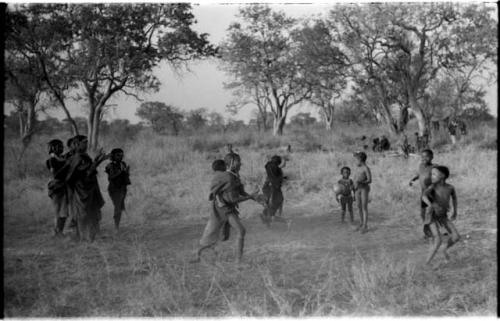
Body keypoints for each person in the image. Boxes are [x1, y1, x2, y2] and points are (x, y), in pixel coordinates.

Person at [192, 152, 260, 263]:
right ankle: (238, 261)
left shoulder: (234, 176)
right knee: (239, 231)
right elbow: (232, 199)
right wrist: (251, 197)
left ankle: (199, 255)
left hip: (227, 208)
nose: (241, 164)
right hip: (222, 209)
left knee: (222, 236)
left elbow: (241, 192)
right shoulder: (228, 177)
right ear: (232, 163)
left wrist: (254, 197)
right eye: (239, 161)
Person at [65, 135, 108, 242]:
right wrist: (97, 161)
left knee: (92, 211)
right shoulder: (77, 157)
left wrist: (98, 160)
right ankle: (83, 238)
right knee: (84, 214)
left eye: (86, 142)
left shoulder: (84, 156)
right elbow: (86, 173)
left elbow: (88, 170)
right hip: (82, 190)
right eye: (84, 142)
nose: (86, 145)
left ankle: (92, 237)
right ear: (76, 144)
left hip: (90, 189)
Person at [421, 165, 460, 265]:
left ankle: (444, 249)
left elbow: (455, 199)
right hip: (432, 216)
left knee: (456, 237)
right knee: (437, 240)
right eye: (431, 174)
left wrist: (455, 211)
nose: (431, 176)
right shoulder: (432, 187)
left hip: (443, 216)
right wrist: (431, 205)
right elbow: (424, 196)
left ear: (442, 176)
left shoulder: (450, 188)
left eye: (434, 174)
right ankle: (426, 263)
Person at [409, 149, 435, 238]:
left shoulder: (434, 167)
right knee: (422, 214)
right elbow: (419, 174)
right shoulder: (421, 166)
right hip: (423, 193)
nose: (424, 158)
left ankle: (432, 231)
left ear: (432, 157)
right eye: (422, 156)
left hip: (432, 193)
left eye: (426, 156)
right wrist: (413, 179)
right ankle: (428, 231)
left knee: (431, 213)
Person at [46, 139, 69, 236]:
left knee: (64, 211)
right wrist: (66, 166)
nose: (62, 148)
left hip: (64, 186)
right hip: (56, 187)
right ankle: (56, 232)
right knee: (58, 210)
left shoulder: (62, 158)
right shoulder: (51, 160)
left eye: (62, 146)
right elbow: (55, 175)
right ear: (53, 148)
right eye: (59, 146)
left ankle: (59, 231)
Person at [104, 148, 131, 231]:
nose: (120, 157)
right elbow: (111, 177)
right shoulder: (110, 165)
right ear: (113, 156)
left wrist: (126, 172)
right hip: (114, 189)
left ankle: (117, 226)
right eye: (118, 155)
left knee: (119, 207)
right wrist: (121, 172)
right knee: (118, 207)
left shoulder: (123, 163)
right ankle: (116, 227)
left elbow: (125, 176)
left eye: (121, 155)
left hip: (122, 188)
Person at [261, 155, 289, 226]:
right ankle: (282, 220)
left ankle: (267, 219)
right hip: (274, 189)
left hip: (267, 187)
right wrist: (284, 159)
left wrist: (283, 178)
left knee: (269, 205)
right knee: (279, 202)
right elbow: (282, 165)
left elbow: (274, 175)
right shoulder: (276, 167)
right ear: (277, 162)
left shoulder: (268, 166)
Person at [353, 151, 371, 233]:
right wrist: (352, 185)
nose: (355, 161)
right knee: (358, 206)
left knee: (364, 207)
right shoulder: (357, 168)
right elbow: (355, 178)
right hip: (357, 189)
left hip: (364, 189)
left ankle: (365, 225)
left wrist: (362, 182)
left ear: (360, 160)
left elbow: (370, 180)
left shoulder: (366, 168)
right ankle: (361, 223)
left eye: (356, 160)